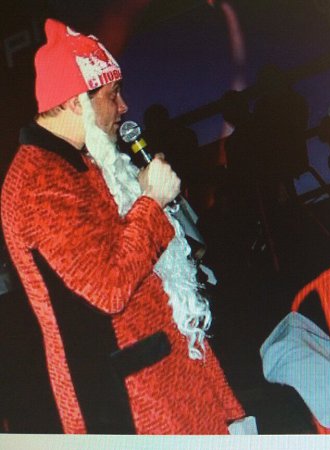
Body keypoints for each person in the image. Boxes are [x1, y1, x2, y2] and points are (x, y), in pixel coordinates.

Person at [1, 18, 246, 434]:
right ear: (76, 102)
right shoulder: (39, 183)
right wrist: (151, 202)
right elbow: (108, 285)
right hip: (128, 401)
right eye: (112, 94)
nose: (124, 106)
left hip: (162, 373)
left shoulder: (80, 161)